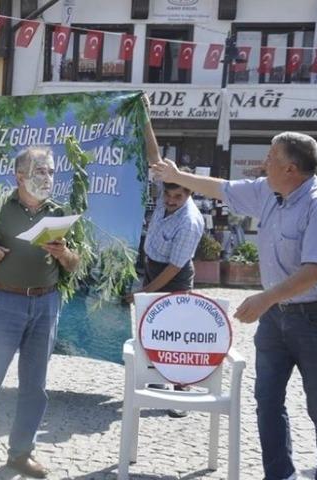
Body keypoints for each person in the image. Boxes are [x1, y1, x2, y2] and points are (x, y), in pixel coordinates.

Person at [153, 132, 317, 480]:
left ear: (290, 168)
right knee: (267, 401)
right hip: (277, 319)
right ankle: (279, 475)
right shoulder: (270, 192)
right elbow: (224, 189)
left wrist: (264, 298)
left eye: (271, 158)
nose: (264, 164)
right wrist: (179, 177)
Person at [0, 147, 80, 480]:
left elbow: (74, 264)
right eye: (40, 171)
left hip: (46, 304)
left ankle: (21, 454)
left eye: (51, 172)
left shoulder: (59, 212)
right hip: (4, 304)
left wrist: (64, 252)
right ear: (19, 176)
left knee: (35, 387)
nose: (48, 178)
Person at [125, 117, 204, 419]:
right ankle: (157, 382)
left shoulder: (190, 222)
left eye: (177, 197)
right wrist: (144, 117)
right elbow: (154, 158)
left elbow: (174, 268)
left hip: (174, 278)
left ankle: (180, 397)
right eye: (168, 195)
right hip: (153, 267)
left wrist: (143, 293)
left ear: (189, 195)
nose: (170, 201)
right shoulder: (166, 192)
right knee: (153, 330)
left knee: (177, 336)